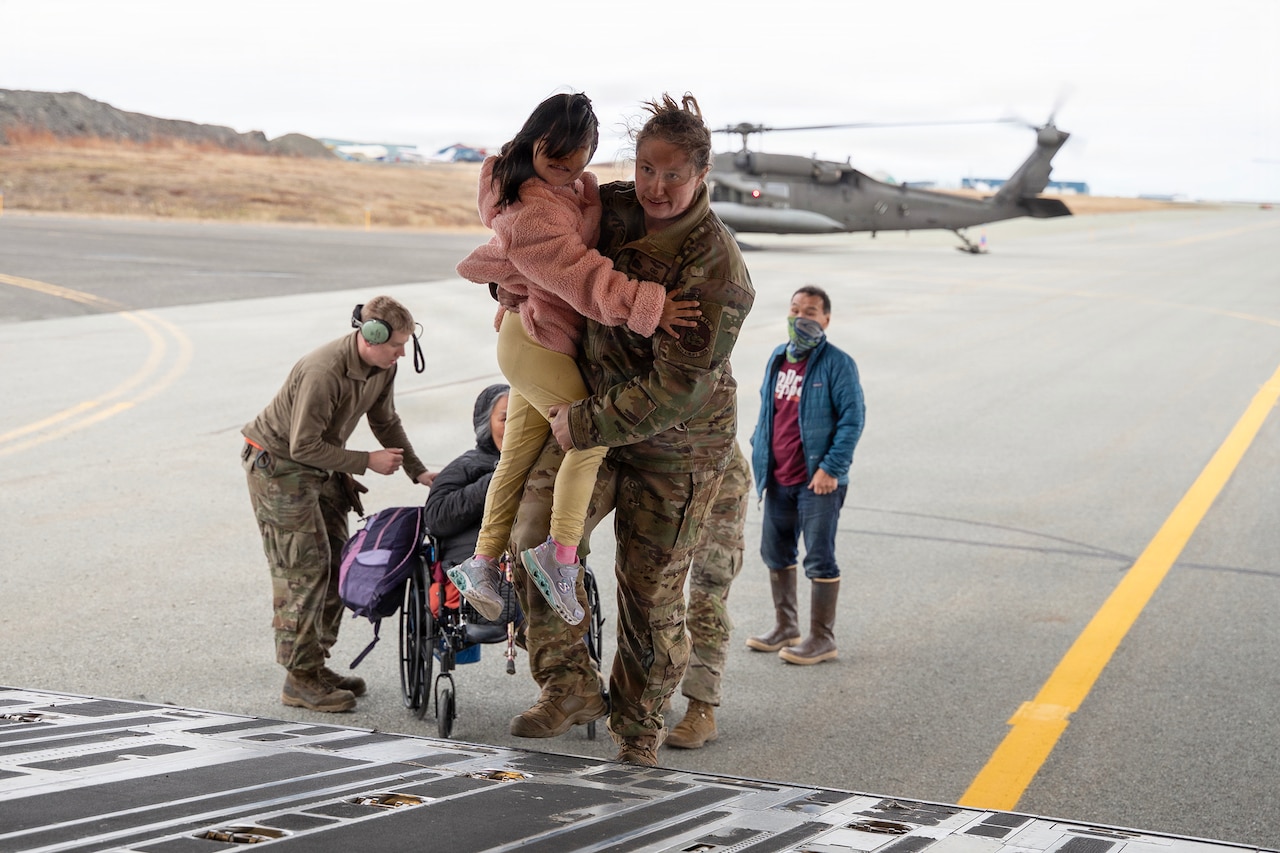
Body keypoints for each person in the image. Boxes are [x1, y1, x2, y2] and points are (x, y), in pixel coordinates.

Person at [506, 92, 755, 766]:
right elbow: (541, 238)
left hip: (677, 448)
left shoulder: (719, 268)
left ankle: (638, 731)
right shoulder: (610, 209)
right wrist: (512, 282)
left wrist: (578, 421)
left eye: (674, 174)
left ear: (702, 174)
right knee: (534, 540)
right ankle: (569, 687)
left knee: (649, 595)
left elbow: (679, 386)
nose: (657, 187)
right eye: (647, 168)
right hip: (592, 425)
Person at [448, 92, 698, 629]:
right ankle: (558, 557)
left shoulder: (555, 192)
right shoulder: (534, 212)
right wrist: (649, 306)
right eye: (553, 160)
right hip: (536, 343)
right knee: (589, 434)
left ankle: (482, 561)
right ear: (532, 140)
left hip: (538, 337)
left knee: (516, 458)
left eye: (576, 164)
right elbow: (582, 278)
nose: (564, 173)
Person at [241, 296, 435, 713]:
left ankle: (314, 664)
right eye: (396, 345)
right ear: (370, 336)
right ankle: (299, 678)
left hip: (320, 466)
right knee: (304, 569)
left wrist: (416, 471)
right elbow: (302, 444)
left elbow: (385, 421)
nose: (402, 352)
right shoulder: (324, 371)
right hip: (280, 467)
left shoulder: (384, 367)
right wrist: (366, 462)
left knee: (337, 563)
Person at [745, 285, 865, 665]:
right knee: (776, 553)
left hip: (818, 481)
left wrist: (831, 467)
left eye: (810, 312)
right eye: (795, 309)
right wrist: (760, 458)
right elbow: (769, 415)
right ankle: (786, 627)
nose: (801, 317)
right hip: (778, 478)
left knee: (820, 559)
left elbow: (853, 419)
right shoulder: (777, 358)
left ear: (826, 319)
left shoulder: (837, 363)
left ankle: (822, 639)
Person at [663, 440, 750, 749]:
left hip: (719, 475)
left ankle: (702, 708)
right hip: (664, 474)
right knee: (654, 593)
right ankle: (656, 687)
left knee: (707, 596)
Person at [422, 384, 509, 571]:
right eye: (505, 419)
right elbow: (436, 517)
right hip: (473, 566)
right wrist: (498, 481)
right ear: (486, 423)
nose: (514, 427)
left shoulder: (541, 465)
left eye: (521, 417)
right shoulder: (466, 465)